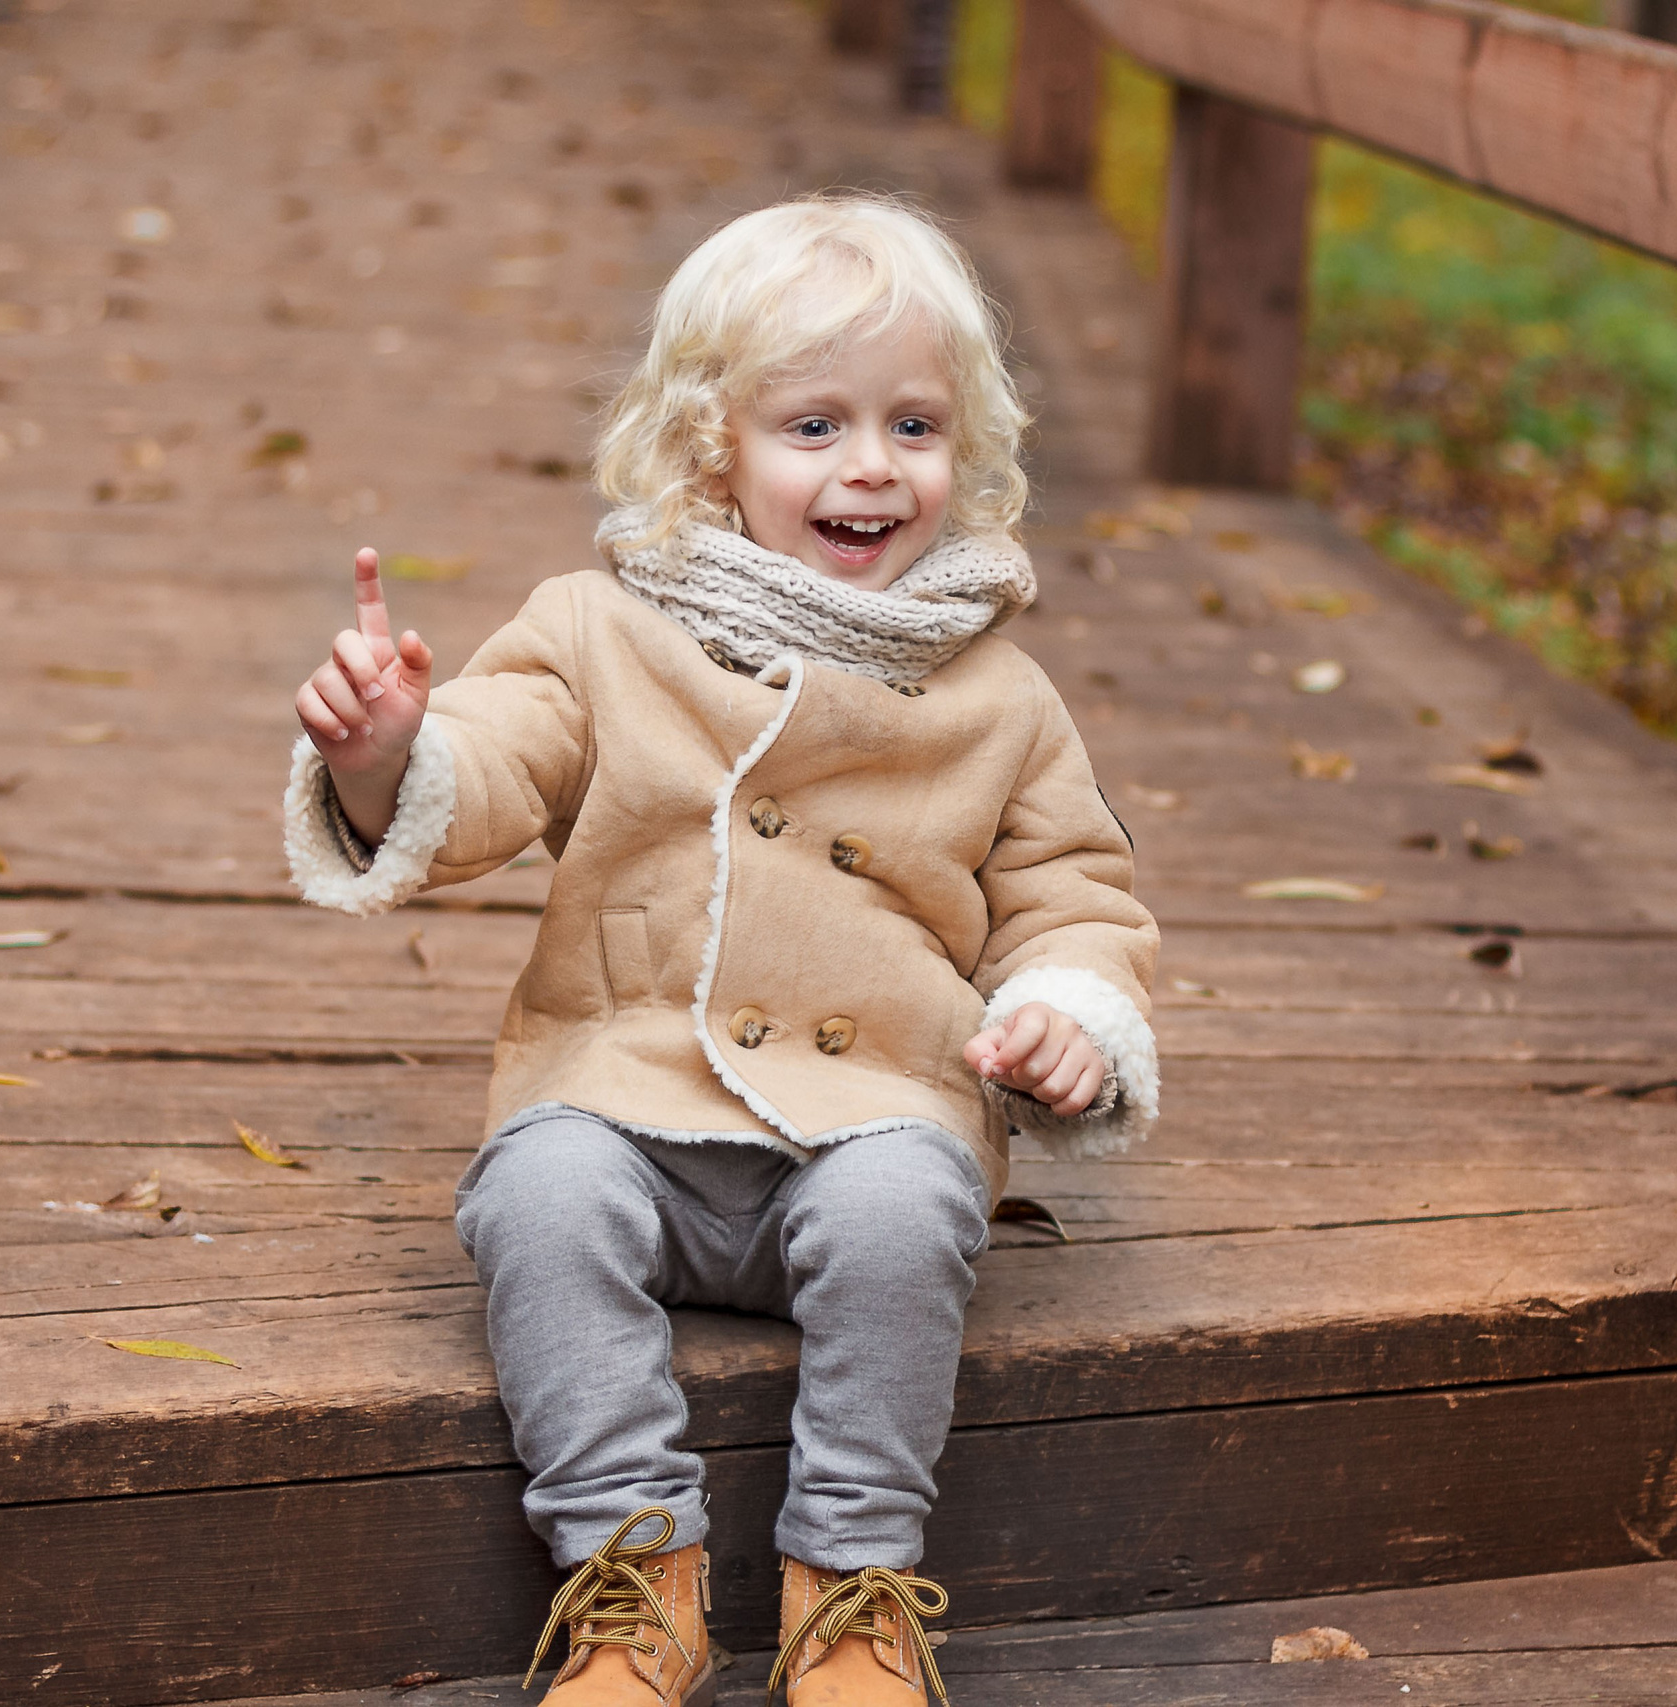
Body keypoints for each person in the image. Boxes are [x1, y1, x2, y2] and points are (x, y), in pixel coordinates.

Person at [283, 195, 1158, 1707]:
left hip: (875, 1104)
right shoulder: (598, 627)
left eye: (914, 424)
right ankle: (637, 1579)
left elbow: (1071, 891)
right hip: (629, 1096)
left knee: (904, 1216)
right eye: (813, 424)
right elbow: (495, 769)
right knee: (536, 1199)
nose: (872, 465)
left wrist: (1071, 1011)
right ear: (712, 449)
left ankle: (852, 1584)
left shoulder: (998, 696)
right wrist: (391, 754)